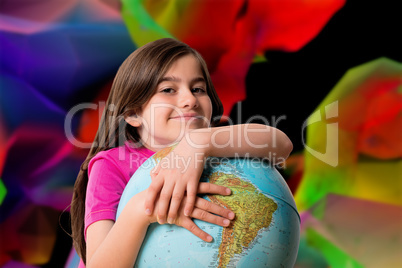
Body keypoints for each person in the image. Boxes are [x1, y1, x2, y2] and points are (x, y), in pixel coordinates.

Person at [70, 38, 293, 267]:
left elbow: (282, 144)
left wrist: (198, 143)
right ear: (134, 113)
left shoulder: (219, 147)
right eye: (168, 90)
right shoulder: (111, 165)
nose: (189, 100)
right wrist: (141, 210)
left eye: (198, 89)